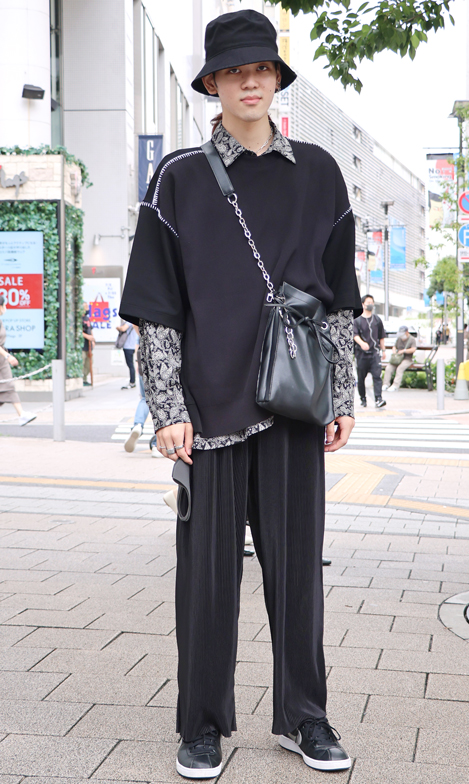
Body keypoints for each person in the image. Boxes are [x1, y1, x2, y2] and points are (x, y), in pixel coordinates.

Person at [119, 9, 361, 779]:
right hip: (209, 415)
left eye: (262, 69)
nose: (250, 82)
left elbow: (339, 299)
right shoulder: (179, 179)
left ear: (276, 79)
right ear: (213, 84)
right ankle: (201, 725)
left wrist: (342, 396)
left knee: (298, 577)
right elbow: (158, 309)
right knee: (206, 583)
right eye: (234, 71)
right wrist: (168, 410)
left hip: (294, 407)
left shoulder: (319, 173)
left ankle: (304, 717)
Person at [124, 326, 162, 457]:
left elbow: (137, 331)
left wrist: (137, 362)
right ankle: (158, 444)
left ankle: (138, 425)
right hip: (162, 355)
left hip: (143, 354)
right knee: (162, 400)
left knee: (145, 398)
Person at [0, 295, 36, 426]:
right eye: (4, 305)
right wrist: (7, 356)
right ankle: (22, 414)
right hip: (3, 357)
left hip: (2, 360)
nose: (6, 307)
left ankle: (22, 415)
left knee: (8, 386)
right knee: (7, 386)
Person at [353, 294, 386, 408]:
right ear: (363, 304)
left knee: (377, 376)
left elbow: (381, 336)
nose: (370, 305)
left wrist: (383, 350)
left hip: (375, 353)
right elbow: (355, 335)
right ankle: (363, 398)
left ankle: (378, 399)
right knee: (361, 378)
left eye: (372, 302)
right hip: (361, 355)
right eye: (368, 303)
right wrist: (362, 343)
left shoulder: (377, 319)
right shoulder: (357, 320)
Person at [383, 325, 417, 392]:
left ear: (407, 332)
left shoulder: (412, 339)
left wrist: (404, 351)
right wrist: (394, 351)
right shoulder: (399, 339)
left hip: (407, 359)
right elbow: (394, 346)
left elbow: (413, 349)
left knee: (400, 368)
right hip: (398, 358)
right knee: (389, 368)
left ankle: (395, 385)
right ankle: (386, 384)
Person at [116, 320, 137, 389]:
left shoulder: (129, 321)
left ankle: (132, 382)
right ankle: (132, 382)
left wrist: (118, 327)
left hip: (128, 346)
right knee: (130, 365)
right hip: (131, 346)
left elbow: (123, 328)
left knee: (130, 365)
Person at [82, 302, 95, 387]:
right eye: (86, 307)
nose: (87, 309)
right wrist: (88, 337)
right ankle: (82, 379)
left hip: (89, 345)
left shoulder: (87, 318)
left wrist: (93, 340)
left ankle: (85, 378)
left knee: (89, 362)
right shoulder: (79, 319)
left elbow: (91, 329)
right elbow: (79, 332)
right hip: (82, 345)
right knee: (82, 361)